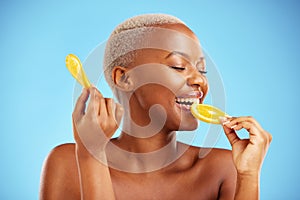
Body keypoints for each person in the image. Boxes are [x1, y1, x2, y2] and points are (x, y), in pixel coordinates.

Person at [40, 14, 272, 200]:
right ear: (125, 78)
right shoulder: (67, 163)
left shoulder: (225, 168)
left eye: (202, 70)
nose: (200, 81)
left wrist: (249, 175)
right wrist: (91, 155)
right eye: (179, 67)